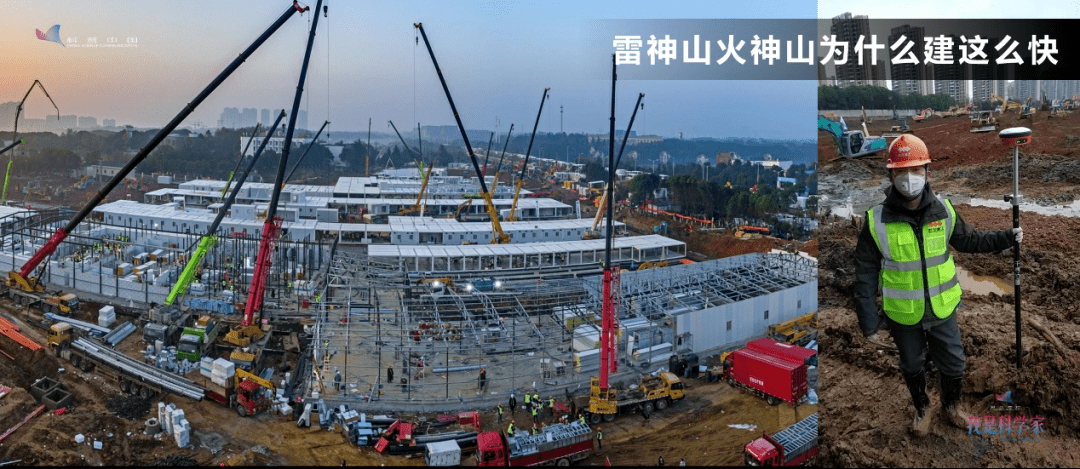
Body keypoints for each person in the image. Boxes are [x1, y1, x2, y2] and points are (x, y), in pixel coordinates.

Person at [854, 134, 1023, 437]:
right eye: (902, 171)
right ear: (891, 174)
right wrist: (868, 321)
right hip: (903, 314)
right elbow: (864, 276)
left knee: (954, 363)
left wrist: (1007, 237)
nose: (910, 178)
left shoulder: (944, 211)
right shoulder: (875, 221)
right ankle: (922, 408)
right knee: (911, 364)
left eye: (916, 170)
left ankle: (952, 406)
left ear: (927, 172)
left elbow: (971, 241)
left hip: (943, 308)